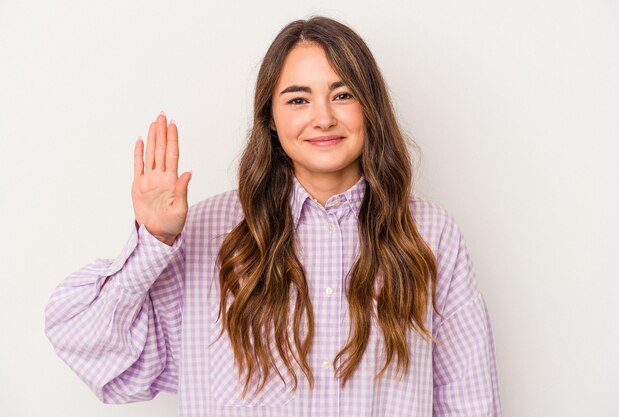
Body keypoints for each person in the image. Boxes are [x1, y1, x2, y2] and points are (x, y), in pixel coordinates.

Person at [44, 16, 501, 417]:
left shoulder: (430, 234)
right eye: (298, 100)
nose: (322, 118)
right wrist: (153, 242)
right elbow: (89, 349)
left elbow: (468, 400)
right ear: (270, 119)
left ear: (371, 109)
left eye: (342, 94)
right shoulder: (207, 232)